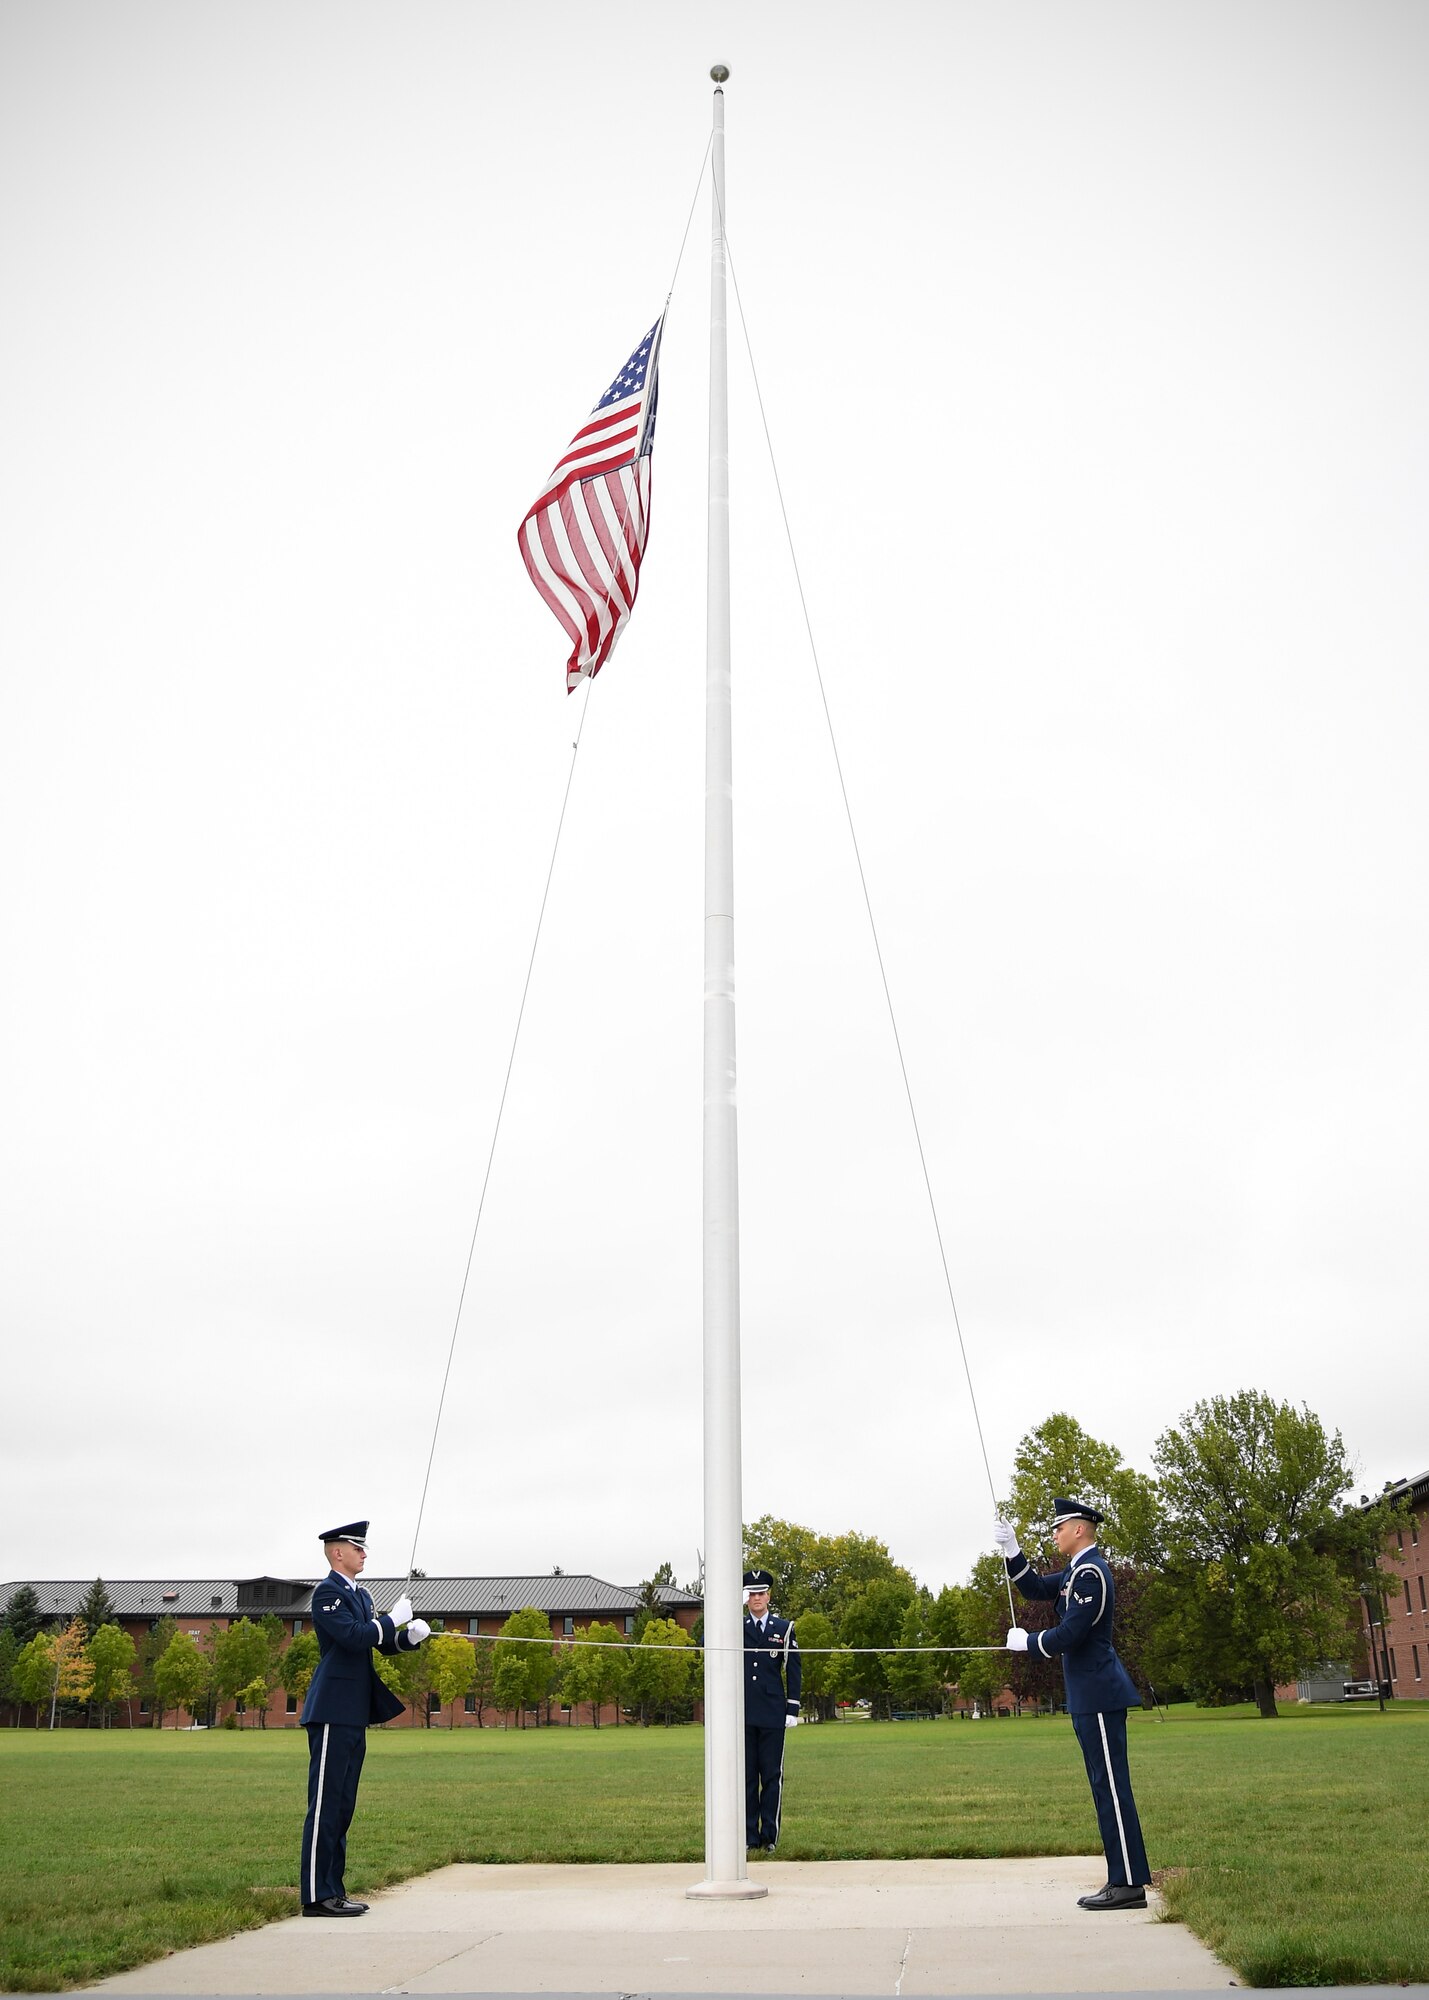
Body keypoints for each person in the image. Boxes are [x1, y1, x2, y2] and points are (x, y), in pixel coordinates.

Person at [996, 1499, 1151, 1911]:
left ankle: (1130, 1884)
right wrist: (1013, 1550)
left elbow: (1072, 1634)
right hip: (1088, 1697)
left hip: (1099, 1695)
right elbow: (1033, 1589)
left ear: (1079, 1529)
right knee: (1104, 1787)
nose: (1055, 1533)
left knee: (1112, 1788)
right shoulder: (1075, 1572)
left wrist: (1029, 1642)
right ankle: (1121, 1878)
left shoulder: (1092, 1574)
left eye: (1059, 1527)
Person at [299, 1519, 431, 1917]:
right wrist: (392, 1619)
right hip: (331, 1708)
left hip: (353, 1710)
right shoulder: (327, 1595)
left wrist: (407, 1636)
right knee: (324, 1805)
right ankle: (315, 1896)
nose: (364, 1553)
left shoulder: (361, 1595)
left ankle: (333, 1890)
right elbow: (355, 1637)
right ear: (337, 1552)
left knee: (342, 1805)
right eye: (357, 1548)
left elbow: (377, 1642)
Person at [742, 1566, 801, 1852]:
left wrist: (792, 1709)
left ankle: (770, 1837)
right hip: (742, 1713)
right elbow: (707, 1644)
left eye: (761, 1593)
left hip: (772, 1712)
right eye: (752, 1593)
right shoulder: (734, 1626)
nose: (757, 1598)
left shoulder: (784, 1628)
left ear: (769, 1596)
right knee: (747, 1777)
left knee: (771, 1775)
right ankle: (749, 1836)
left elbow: (793, 1670)